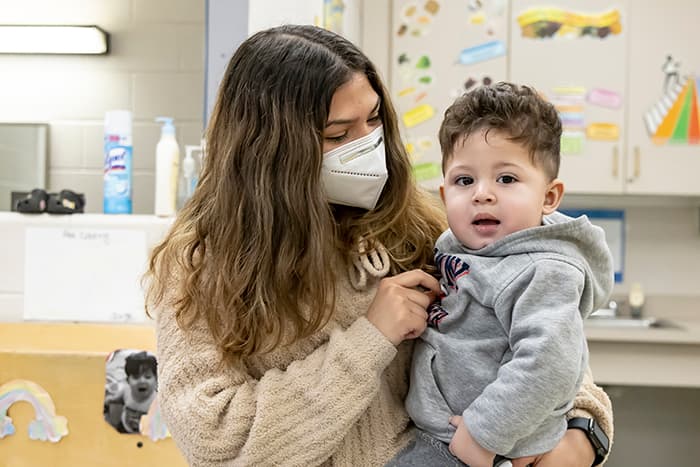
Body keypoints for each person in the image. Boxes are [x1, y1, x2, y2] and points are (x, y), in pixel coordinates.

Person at [144, 25, 613, 466]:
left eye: (373, 120)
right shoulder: (198, 268)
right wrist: (371, 338)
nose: (370, 146)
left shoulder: (420, 225)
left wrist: (581, 435)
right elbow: (215, 441)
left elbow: (546, 348)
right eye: (338, 134)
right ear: (271, 150)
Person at [388, 82, 614, 467]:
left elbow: (550, 363)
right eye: (464, 180)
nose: (482, 194)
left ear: (549, 197)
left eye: (506, 179)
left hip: (487, 446)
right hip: (442, 434)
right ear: (444, 196)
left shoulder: (543, 269)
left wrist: (481, 433)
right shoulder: (458, 247)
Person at [103, 350, 158, 434]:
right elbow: (114, 399)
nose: (142, 381)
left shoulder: (157, 400)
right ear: (128, 380)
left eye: (148, 377)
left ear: (156, 381)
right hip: (125, 426)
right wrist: (107, 401)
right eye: (136, 377)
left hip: (147, 431)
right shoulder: (126, 391)